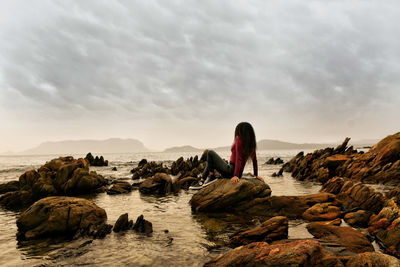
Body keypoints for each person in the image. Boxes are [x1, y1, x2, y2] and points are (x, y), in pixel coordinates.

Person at [189, 122, 264, 190]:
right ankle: (206, 179)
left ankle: (204, 180)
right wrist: (256, 175)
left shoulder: (239, 140)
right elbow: (255, 160)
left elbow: (238, 159)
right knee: (210, 160)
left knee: (210, 153)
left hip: (231, 171)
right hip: (237, 172)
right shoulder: (251, 144)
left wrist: (235, 176)